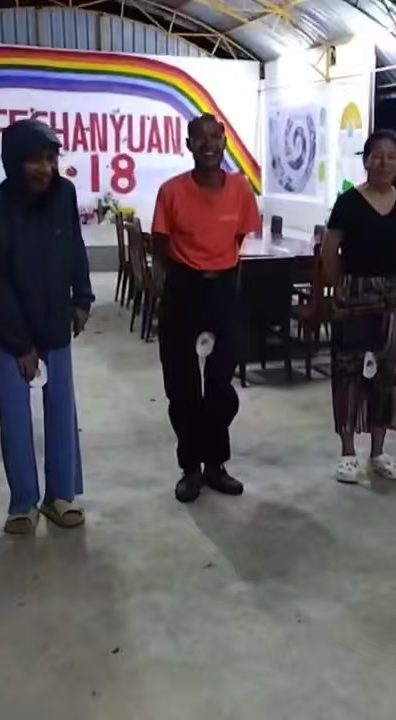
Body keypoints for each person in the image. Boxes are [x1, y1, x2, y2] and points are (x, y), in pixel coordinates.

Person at [0, 119, 94, 534]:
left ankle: (61, 495)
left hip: (55, 321)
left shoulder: (64, 195)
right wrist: (21, 345)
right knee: (15, 417)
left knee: (61, 409)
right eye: (36, 160)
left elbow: (75, 247)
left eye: (51, 159)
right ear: (12, 161)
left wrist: (82, 299)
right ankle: (23, 502)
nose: (46, 169)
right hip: (11, 332)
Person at [151, 114, 260, 503]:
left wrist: (217, 270)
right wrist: (185, 277)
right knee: (182, 387)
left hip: (224, 291)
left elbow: (238, 237)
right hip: (183, 291)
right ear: (188, 144)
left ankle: (216, 464)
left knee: (220, 386)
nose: (209, 144)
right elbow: (160, 245)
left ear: (224, 142)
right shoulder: (171, 191)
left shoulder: (241, 190)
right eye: (201, 137)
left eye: (216, 136)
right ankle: (191, 469)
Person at [321, 129, 396, 484]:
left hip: (392, 299)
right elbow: (329, 251)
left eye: (391, 156)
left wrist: (389, 283)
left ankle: (378, 452)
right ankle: (348, 453)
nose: (384, 163)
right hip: (354, 296)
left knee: (387, 375)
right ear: (365, 160)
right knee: (349, 373)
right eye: (377, 155)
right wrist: (342, 288)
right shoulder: (348, 202)